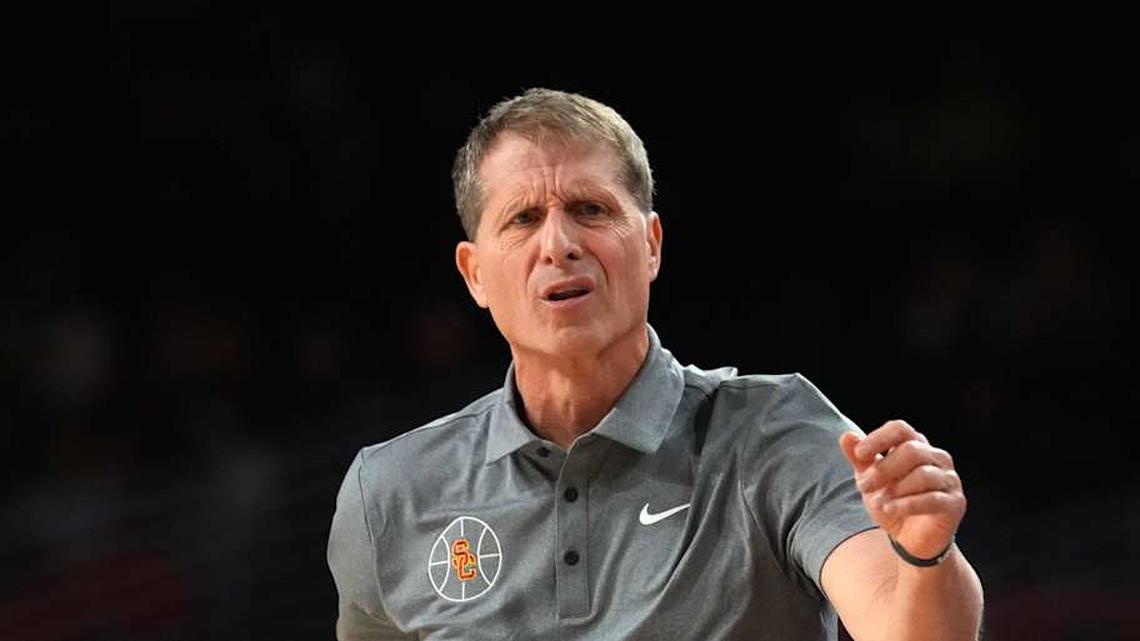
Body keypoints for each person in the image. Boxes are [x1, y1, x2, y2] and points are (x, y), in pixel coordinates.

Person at [327, 88, 984, 640]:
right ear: (474, 273)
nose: (559, 244)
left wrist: (925, 553)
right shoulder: (389, 495)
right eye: (524, 218)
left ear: (650, 245)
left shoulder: (773, 433)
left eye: (590, 209)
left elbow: (903, 625)